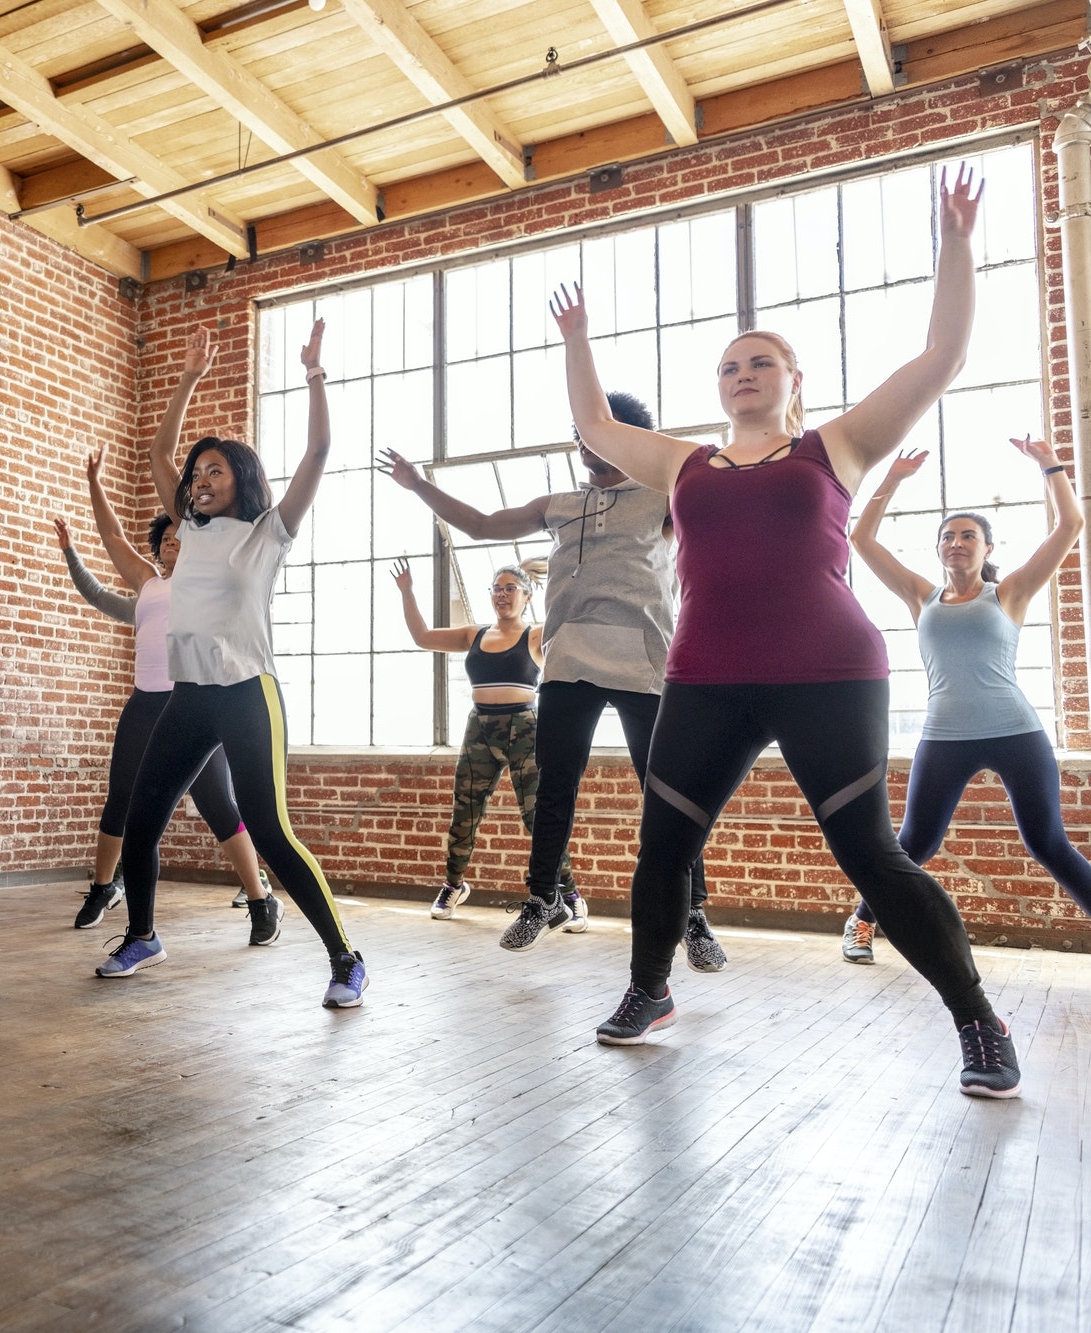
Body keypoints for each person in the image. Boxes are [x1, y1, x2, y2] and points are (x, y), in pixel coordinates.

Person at [553, 165, 1020, 1098]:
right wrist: (579, 339)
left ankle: (979, 1019)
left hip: (829, 673)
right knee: (661, 847)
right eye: (729, 365)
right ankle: (650, 988)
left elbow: (941, 358)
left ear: (793, 380)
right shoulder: (684, 463)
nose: (741, 374)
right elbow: (595, 424)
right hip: (707, 676)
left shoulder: (832, 447)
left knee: (874, 859)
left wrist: (957, 243)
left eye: (759, 361)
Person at [382, 397, 724, 964]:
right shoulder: (560, 505)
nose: (584, 444)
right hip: (569, 666)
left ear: (628, 438)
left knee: (668, 792)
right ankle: (543, 899)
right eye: (578, 434)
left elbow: (724, 498)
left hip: (645, 666)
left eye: (596, 434)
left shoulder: (666, 500)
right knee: (554, 790)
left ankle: (693, 914)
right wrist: (420, 484)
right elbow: (481, 525)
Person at [98, 322, 367, 1008]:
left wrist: (313, 374)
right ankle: (142, 934)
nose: (199, 479)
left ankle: (345, 957)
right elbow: (160, 449)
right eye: (197, 473)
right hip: (187, 698)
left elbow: (320, 449)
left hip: (248, 693)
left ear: (241, 479)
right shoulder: (187, 528)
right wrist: (187, 374)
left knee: (270, 828)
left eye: (215, 470)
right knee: (141, 813)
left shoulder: (267, 531)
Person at [842, 438, 1087, 963]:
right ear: (938, 549)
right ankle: (861, 921)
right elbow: (860, 537)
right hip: (945, 736)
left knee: (1047, 843)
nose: (957, 542)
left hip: (1016, 731)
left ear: (987, 549)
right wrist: (892, 482)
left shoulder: (1010, 593)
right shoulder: (921, 595)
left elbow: (1069, 526)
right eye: (948, 536)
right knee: (915, 844)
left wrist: (1051, 465)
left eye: (969, 535)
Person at [52, 450, 277, 944]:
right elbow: (111, 540)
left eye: (183, 535)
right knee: (122, 801)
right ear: (160, 549)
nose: (177, 542)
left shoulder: (208, 575)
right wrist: (94, 483)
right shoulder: (148, 586)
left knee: (220, 804)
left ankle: (261, 899)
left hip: (193, 704)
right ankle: (103, 887)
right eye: (169, 540)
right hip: (144, 705)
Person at [389, 559, 582, 925]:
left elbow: (569, 621)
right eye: (497, 588)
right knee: (465, 811)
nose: (502, 594)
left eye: (511, 588)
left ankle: (569, 892)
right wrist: (407, 591)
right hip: (480, 729)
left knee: (539, 817)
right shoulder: (473, 635)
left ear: (526, 596)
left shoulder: (536, 635)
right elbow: (422, 637)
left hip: (525, 729)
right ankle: (452, 886)